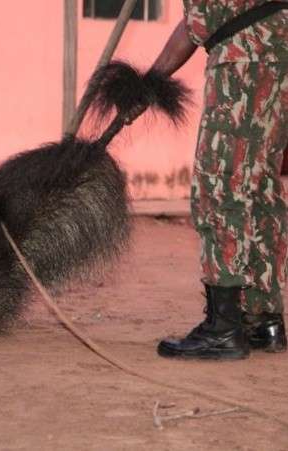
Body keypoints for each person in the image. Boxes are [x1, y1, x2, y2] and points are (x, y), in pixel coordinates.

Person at [130, 1, 288, 360]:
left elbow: (195, 24)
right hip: (278, 50)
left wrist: (150, 85)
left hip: (244, 57)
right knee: (259, 183)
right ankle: (262, 320)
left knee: (220, 184)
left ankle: (224, 329)